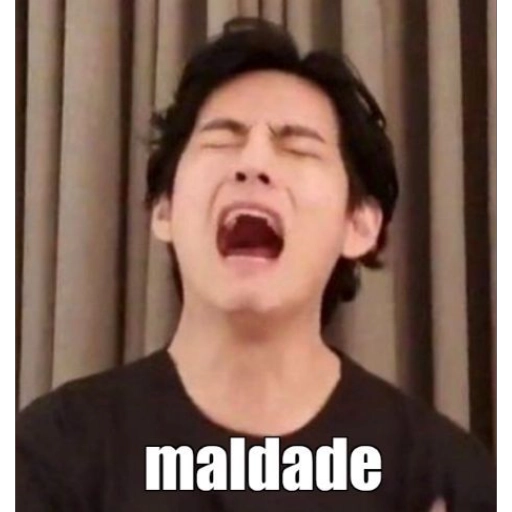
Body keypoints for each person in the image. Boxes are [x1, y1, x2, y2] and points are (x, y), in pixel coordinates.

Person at [16, 18, 495, 511]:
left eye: (298, 147)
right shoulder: (55, 453)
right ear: (164, 210)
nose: (253, 163)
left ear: (359, 225)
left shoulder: (441, 476)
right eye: (221, 140)